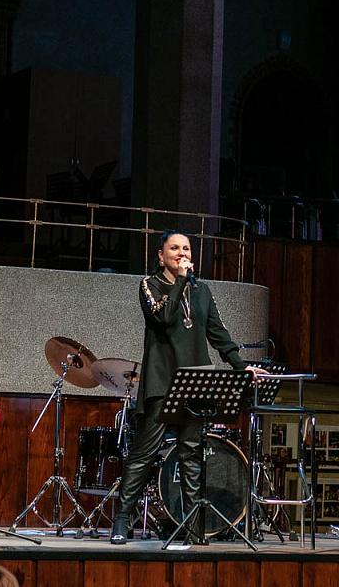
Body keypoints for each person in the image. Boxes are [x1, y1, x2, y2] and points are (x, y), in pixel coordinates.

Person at [110, 230, 266, 544]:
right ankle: (122, 519)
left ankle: (194, 527)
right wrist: (180, 281)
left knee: (191, 455)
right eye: (174, 248)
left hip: (195, 381)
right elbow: (163, 319)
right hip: (161, 382)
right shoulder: (150, 285)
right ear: (161, 255)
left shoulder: (203, 291)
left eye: (186, 248)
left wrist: (240, 364)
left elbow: (218, 334)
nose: (182, 253)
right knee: (144, 454)